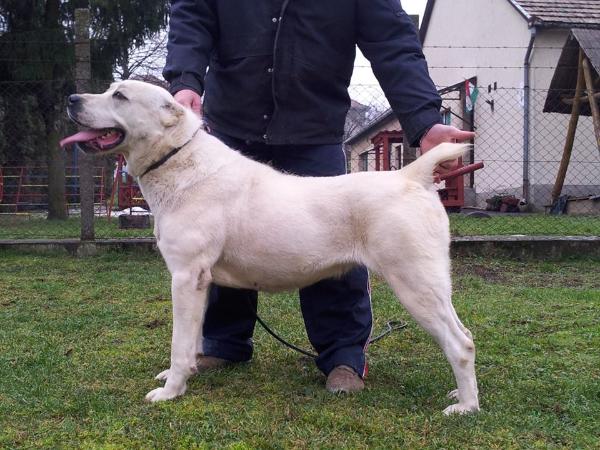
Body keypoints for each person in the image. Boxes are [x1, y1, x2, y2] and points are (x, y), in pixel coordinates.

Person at [163, 0, 475, 393]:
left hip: (313, 125)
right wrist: (185, 81)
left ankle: (342, 355)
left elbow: (393, 40)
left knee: (336, 235)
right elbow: (193, 15)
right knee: (220, 239)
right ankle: (224, 343)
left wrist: (424, 120)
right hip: (233, 121)